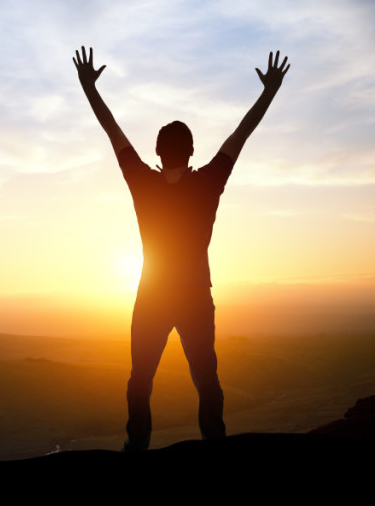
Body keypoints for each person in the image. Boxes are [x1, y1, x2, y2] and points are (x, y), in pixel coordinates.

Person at [73, 45, 290, 450]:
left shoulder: (142, 181)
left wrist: (89, 87)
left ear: (157, 151)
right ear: (191, 152)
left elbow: (112, 129)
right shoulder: (208, 183)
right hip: (194, 297)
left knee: (141, 380)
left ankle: (136, 446)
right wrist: (269, 91)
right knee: (206, 378)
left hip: (152, 295)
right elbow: (241, 134)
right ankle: (214, 442)